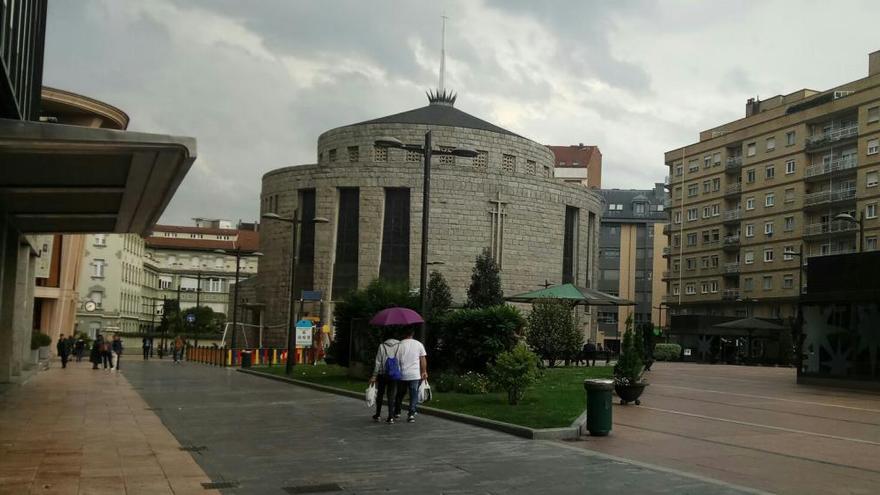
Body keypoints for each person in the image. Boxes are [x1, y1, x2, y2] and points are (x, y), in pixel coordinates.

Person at [393, 328, 427, 423]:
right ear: (413, 334)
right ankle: (411, 414)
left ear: (404, 334)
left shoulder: (399, 345)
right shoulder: (419, 344)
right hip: (415, 374)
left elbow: (396, 360)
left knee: (400, 394)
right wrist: (424, 371)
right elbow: (423, 359)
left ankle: (397, 412)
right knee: (413, 394)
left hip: (402, 374)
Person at [368, 335, 400, 423]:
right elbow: (401, 360)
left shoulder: (382, 346)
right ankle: (391, 417)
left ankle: (378, 414)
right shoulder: (399, 346)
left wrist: (374, 375)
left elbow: (378, 362)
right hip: (394, 374)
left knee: (380, 394)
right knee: (391, 395)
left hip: (383, 374)